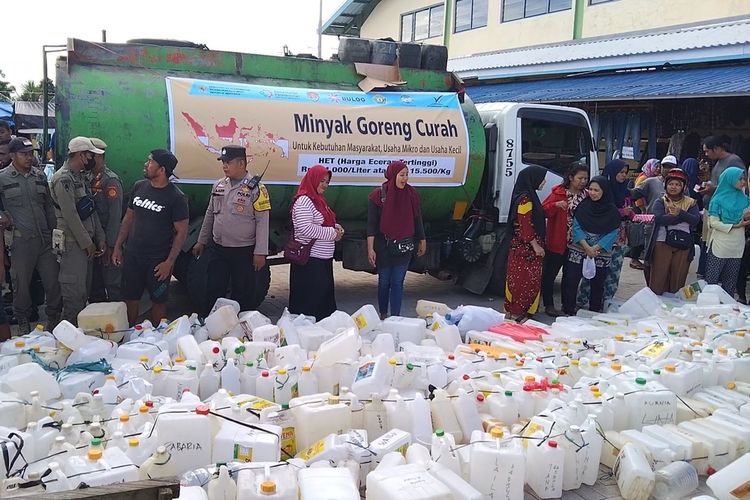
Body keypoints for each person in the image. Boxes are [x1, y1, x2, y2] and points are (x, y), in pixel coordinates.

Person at [112, 149, 188, 326]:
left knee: (159, 301)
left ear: (161, 169)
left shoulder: (176, 197)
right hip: (133, 256)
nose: (146, 164)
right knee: (130, 298)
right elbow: (128, 218)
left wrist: (169, 262)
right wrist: (118, 246)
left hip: (158, 260)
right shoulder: (139, 187)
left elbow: (182, 232)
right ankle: (130, 336)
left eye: (150, 161)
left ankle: (157, 338)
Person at [194, 145, 270, 314]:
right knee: (214, 287)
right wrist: (201, 240)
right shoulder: (219, 185)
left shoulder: (257, 189)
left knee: (242, 291)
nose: (224, 166)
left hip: (243, 251)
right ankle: (212, 323)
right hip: (218, 248)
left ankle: (239, 326)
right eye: (223, 162)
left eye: (228, 162)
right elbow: (210, 214)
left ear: (241, 163)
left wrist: (260, 252)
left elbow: (263, 221)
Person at [0, 137, 62, 333]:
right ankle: (24, 324)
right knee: (21, 287)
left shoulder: (39, 176)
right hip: (20, 241)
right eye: (23, 154)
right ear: (12, 156)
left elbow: (49, 207)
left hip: (44, 240)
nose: (28, 158)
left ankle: (54, 321)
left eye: (30, 154)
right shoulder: (3, 178)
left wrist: (55, 235)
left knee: (53, 284)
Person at [50, 137, 107, 325]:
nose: (92, 159)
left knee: (84, 292)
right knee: (74, 294)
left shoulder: (80, 177)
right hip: (73, 244)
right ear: (81, 155)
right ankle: (67, 335)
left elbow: (90, 211)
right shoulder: (63, 179)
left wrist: (100, 238)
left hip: (85, 243)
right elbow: (71, 216)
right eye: (90, 155)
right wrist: (87, 243)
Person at [367, 160, 426, 319]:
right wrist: (370, 248)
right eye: (401, 175)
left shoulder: (412, 195)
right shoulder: (378, 195)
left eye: (407, 174)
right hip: (384, 247)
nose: (405, 178)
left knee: (397, 282)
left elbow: (417, 219)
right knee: (384, 282)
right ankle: (384, 314)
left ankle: (396, 317)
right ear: (393, 175)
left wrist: (422, 240)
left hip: (404, 246)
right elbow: (371, 225)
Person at [289, 165, 343, 320]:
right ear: (313, 179)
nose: (325, 185)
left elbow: (322, 222)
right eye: (322, 181)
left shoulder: (318, 200)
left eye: (327, 182)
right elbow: (305, 228)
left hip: (322, 261)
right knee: (310, 305)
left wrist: (336, 227)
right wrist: (332, 233)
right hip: (310, 263)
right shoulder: (304, 201)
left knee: (322, 302)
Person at [578, 160, 632, 311]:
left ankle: (606, 301)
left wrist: (630, 213)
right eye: (620, 172)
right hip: (599, 238)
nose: (623, 176)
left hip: (619, 236)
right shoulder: (600, 190)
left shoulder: (624, 190)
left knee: (613, 271)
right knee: (591, 269)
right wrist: (621, 212)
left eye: (625, 173)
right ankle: (583, 300)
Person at [563, 176, 621, 315]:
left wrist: (596, 247)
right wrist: (586, 247)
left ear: (604, 191)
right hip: (580, 248)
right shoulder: (584, 205)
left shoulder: (612, 210)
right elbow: (576, 226)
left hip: (600, 251)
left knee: (598, 283)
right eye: (591, 189)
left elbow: (614, 231)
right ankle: (568, 310)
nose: (593, 193)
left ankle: (594, 310)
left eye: (597, 190)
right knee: (571, 279)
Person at [541, 164, 588, 317]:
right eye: (580, 178)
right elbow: (544, 210)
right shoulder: (559, 193)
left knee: (572, 277)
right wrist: (555, 205)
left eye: (585, 178)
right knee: (550, 274)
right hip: (557, 240)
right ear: (571, 178)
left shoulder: (587, 196)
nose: (583, 181)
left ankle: (568, 306)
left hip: (577, 244)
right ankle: (549, 305)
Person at [645, 169, 700, 295]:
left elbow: (695, 220)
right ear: (666, 185)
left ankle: (674, 308)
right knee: (658, 277)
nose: (673, 187)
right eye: (671, 184)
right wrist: (682, 217)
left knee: (678, 278)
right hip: (662, 242)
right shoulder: (660, 201)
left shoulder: (691, 203)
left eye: (677, 184)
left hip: (684, 244)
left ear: (683, 187)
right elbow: (659, 219)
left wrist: (679, 213)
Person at [504, 166, 547, 322]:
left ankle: (511, 313)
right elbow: (525, 225)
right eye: (542, 178)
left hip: (519, 248)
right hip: (527, 250)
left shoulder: (523, 196)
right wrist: (536, 246)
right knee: (524, 282)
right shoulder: (526, 199)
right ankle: (516, 314)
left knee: (515, 280)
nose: (544, 181)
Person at [705, 167, 750, 297]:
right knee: (712, 282)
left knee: (730, 283)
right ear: (730, 180)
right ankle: (709, 307)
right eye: (740, 179)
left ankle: (727, 312)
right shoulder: (717, 200)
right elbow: (713, 223)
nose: (743, 182)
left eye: (744, 179)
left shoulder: (745, 199)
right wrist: (736, 225)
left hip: (737, 245)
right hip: (721, 243)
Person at [88, 138, 123, 302]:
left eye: (92, 155)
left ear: (100, 156)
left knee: (113, 284)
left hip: (107, 241)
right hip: (92, 239)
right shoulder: (86, 177)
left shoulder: (110, 181)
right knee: (94, 285)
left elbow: (115, 216)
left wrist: (110, 245)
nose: (88, 159)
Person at [628, 158, 660, 270]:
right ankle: (634, 259)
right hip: (641, 210)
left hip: (645, 210)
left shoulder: (652, 179)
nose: (658, 169)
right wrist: (643, 209)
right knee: (640, 236)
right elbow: (637, 196)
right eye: (655, 166)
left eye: (659, 166)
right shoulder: (644, 178)